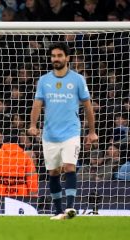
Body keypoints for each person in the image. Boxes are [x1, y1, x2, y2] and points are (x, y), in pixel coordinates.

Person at [28, 42, 98, 220]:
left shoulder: (77, 79)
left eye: (59, 55)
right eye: (53, 56)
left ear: (68, 58)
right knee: (53, 172)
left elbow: (88, 107)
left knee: (69, 166)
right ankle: (58, 211)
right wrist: (33, 125)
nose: (56, 59)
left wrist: (92, 132)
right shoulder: (44, 80)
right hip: (49, 134)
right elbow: (37, 104)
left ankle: (69, 208)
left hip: (71, 132)